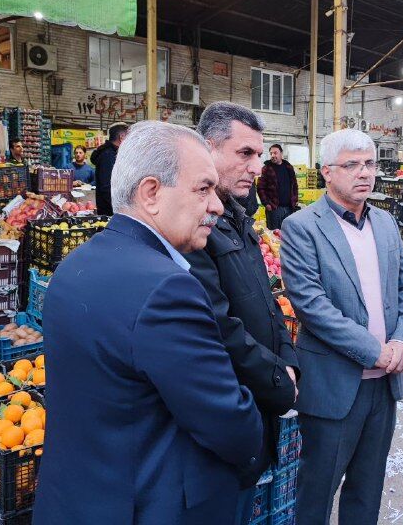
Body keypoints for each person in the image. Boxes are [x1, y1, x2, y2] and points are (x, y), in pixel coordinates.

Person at [34, 122, 263, 525]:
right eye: (203, 189)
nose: (217, 205)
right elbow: (226, 421)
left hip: (79, 498)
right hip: (150, 505)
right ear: (151, 193)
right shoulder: (168, 289)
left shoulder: (75, 265)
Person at [280, 129, 403, 525]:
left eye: (370, 164)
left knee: (367, 490)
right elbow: (312, 306)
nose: (365, 173)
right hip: (335, 385)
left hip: (384, 386)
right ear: (327, 172)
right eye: (352, 165)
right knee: (317, 491)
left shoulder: (386, 223)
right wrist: (375, 351)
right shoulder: (302, 227)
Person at [185, 102, 299, 525]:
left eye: (259, 154)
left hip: (255, 409)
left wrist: (289, 359)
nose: (256, 167)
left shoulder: (239, 219)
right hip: (226, 418)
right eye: (245, 153)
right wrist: (279, 381)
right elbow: (220, 327)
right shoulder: (196, 229)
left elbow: (269, 304)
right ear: (208, 149)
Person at [90, 122, 129, 215]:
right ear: (122, 137)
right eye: (128, 137)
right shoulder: (108, 155)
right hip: (110, 212)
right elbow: (107, 187)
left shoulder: (114, 154)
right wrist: (120, 210)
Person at [259, 144, 298, 230]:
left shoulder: (289, 167)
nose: (273, 155)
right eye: (271, 153)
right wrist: (266, 203)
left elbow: (294, 185)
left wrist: (295, 199)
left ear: (281, 153)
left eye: (275, 153)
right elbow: (260, 187)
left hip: (289, 208)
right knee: (274, 234)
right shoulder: (267, 168)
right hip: (274, 209)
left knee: (288, 232)